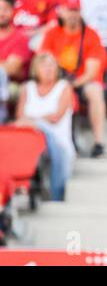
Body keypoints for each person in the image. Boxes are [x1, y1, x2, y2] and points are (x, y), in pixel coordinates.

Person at [40, 0, 107, 158]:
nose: (72, 14)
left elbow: (92, 71)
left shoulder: (91, 34)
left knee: (95, 91)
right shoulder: (52, 33)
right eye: (69, 10)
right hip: (57, 80)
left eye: (76, 10)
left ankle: (99, 141)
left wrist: (73, 85)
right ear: (61, 12)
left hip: (81, 81)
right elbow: (42, 61)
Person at [15, 52, 75, 201]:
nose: (48, 69)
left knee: (44, 131)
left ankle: (54, 194)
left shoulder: (64, 87)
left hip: (56, 141)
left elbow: (56, 117)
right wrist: (34, 122)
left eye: (52, 65)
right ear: (36, 69)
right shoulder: (27, 88)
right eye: (44, 65)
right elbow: (19, 117)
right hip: (28, 141)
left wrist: (35, 122)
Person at [0, 0, 32, 122]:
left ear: (13, 11)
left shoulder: (19, 37)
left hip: (12, 86)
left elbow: (10, 69)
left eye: (5, 9)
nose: (1, 13)